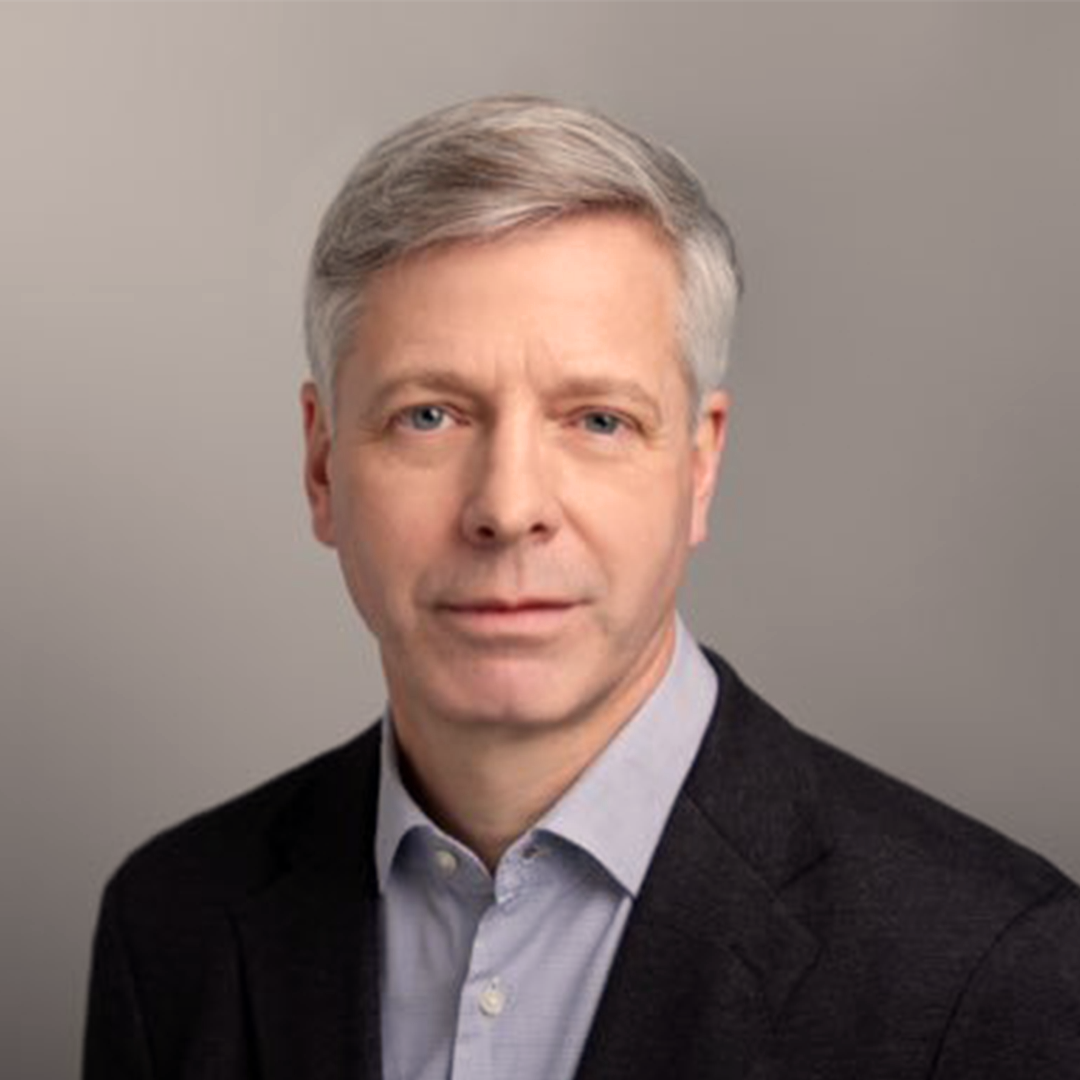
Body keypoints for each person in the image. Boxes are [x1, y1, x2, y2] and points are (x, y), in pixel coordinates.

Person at [83, 96, 1080, 1080]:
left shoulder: (990, 970)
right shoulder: (174, 928)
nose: (509, 507)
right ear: (320, 467)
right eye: (429, 416)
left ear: (700, 468)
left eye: (598, 420)